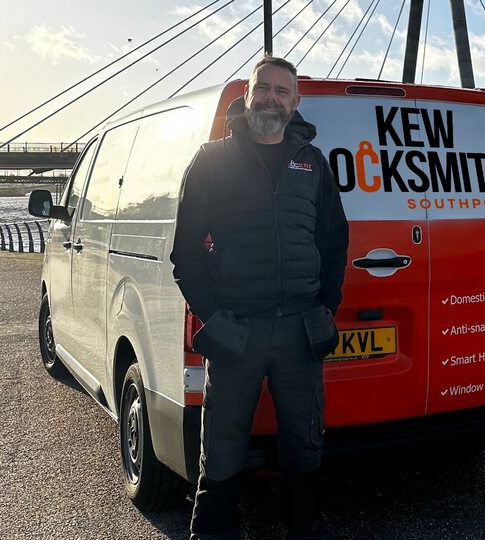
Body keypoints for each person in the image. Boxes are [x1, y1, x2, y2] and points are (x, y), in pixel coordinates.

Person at [170, 55, 348, 540]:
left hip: (299, 332)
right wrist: (214, 318)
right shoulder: (211, 161)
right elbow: (185, 253)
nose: (271, 97)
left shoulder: (312, 164)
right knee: (222, 448)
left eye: (281, 90)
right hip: (237, 332)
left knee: (305, 443)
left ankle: (305, 530)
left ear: (295, 101)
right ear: (247, 96)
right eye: (263, 88)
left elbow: (335, 241)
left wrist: (325, 307)